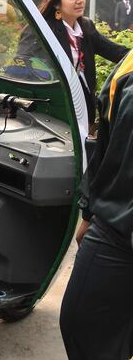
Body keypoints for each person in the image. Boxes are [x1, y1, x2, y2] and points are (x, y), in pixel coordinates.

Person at [60, 49, 133, 359]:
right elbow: (105, 139)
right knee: (81, 323)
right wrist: (88, 211)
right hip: (116, 224)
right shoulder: (128, 66)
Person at [18, 0, 128, 124]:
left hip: (84, 108)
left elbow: (117, 52)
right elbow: (23, 69)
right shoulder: (41, 31)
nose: (80, 0)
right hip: (52, 113)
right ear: (57, 3)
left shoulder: (86, 27)